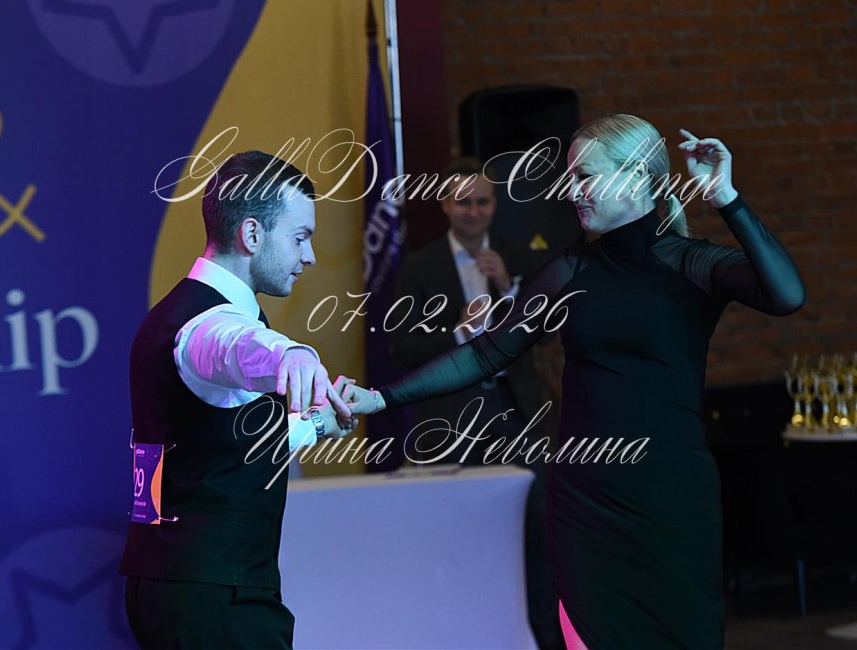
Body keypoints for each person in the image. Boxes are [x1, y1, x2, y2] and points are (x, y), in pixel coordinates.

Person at [346, 115, 806, 649]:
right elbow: (488, 351)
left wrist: (726, 197)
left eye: (584, 176)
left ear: (635, 177)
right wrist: (379, 398)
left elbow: (786, 295)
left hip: (672, 498)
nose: (570, 190)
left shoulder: (692, 264)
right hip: (587, 502)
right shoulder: (571, 271)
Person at [120, 151, 356, 649]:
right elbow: (233, 346)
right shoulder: (209, 325)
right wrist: (291, 353)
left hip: (176, 585)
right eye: (300, 237)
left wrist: (316, 423)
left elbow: (219, 444)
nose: (310, 256)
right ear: (252, 234)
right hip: (215, 597)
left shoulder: (169, 315)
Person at [390, 157, 564, 649]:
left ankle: (543, 638)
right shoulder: (420, 265)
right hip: (451, 417)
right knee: (457, 532)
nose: (473, 211)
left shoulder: (518, 258)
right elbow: (401, 349)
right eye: (463, 201)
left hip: (517, 414)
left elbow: (547, 334)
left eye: (482, 201)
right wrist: (459, 333)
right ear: (446, 205)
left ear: (495, 205)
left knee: (536, 531)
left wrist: (510, 288)